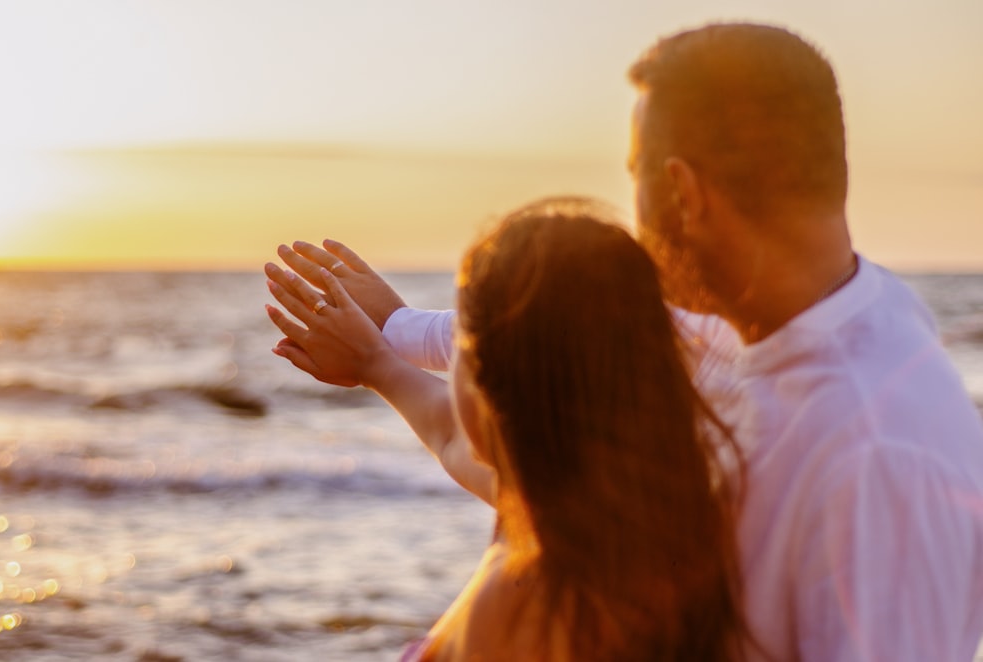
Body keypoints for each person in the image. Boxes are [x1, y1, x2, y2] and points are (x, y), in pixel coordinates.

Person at [267, 22, 983, 661]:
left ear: (682, 193)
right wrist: (388, 340)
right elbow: (546, 369)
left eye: (633, 173)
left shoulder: (876, 457)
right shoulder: (801, 324)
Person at [266, 198, 750, 660]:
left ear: (485, 384)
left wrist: (380, 359)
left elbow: (456, 437)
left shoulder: (516, 606)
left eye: (462, 344)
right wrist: (380, 355)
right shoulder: (647, 523)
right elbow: (454, 438)